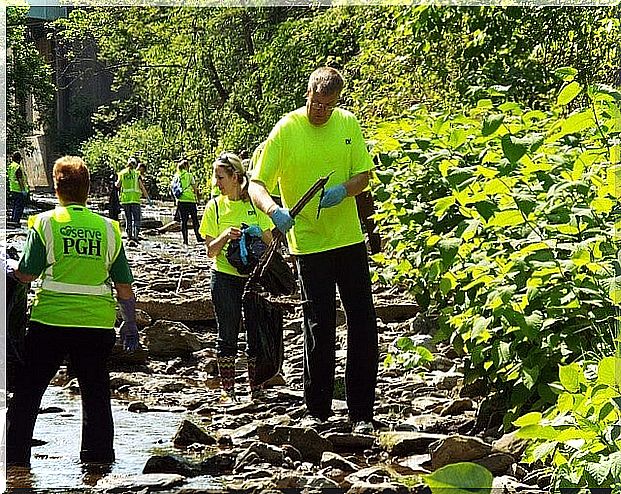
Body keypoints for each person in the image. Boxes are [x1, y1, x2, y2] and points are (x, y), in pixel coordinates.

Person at [249, 67, 378, 434]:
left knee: (363, 323)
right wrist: (273, 209)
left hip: (349, 239)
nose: (320, 111)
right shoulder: (286, 130)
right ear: (306, 93)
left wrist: (344, 190)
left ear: (337, 102)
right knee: (319, 324)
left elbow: (363, 176)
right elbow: (256, 183)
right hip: (308, 244)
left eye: (328, 105)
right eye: (315, 103)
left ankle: (361, 412)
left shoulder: (348, 124)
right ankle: (317, 409)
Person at [5, 155, 139, 467]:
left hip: (50, 322)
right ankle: (98, 463)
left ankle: (14, 462)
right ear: (88, 190)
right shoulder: (108, 229)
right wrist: (130, 322)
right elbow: (124, 286)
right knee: (95, 395)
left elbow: (27, 273)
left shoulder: (45, 223)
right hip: (96, 325)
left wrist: (10, 270)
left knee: (28, 393)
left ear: (56, 189)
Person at [199, 152, 273, 403]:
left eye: (220, 177)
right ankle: (227, 389)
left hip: (253, 278)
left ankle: (256, 388)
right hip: (223, 277)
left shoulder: (254, 204)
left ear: (235, 177)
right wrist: (224, 236)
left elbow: (269, 241)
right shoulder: (215, 206)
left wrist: (254, 234)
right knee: (227, 332)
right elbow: (210, 250)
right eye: (215, 177)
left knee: (256, 332)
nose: (216, 182)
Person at [116, 156, 150, 244]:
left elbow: (118, 185)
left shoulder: (122, 173)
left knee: (128, 219)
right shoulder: (136, 174)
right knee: (137, 219)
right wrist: (148, 199)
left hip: (125, 200)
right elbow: (141, 187)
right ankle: (135, 236)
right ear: (135, 165)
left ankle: (129, 236)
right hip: (135, 200)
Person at [172, 158, 203, 245]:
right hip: (190, 200)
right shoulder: (189, 175)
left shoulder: (176, 176)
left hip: (181, 200)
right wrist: (198, 198)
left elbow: (174, 188)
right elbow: (195, 188)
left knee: (184, 221)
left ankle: (185, 241)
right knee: (195, 220)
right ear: (186, 166)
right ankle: (198, 238)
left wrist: (176, 200)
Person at [8, 151, 30, 224]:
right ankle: (16, 221)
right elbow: (20, 179)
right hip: (19, 190)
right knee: (19, 207)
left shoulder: (11, 166)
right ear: (19, 159)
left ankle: (13, 220)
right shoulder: (18, 167)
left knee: (15, 206)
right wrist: (23, 190)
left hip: (12, 189)